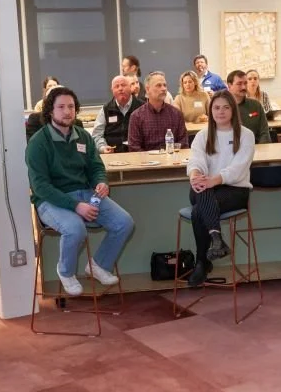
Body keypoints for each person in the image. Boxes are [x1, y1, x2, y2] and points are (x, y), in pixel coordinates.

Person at [26, 86, 135, 296]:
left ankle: (98, 265)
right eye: (61, 107)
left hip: (85, 193)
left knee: (124, 222)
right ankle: (65, 271)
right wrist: (76, 206)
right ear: (50, 111)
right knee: (76, 229)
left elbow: (96, 167)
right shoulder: (38, 142)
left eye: (71, 106)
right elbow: (40, 186)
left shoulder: (83, 136)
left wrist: (101, 182)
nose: (67, 111)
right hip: (50, 200)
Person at [184, 91, 256, 287]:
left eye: (226, 107)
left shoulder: (246, 135)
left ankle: (202, 262)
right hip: (206, 187)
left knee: (199, 211)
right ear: (210, 110)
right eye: (216, 108)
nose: (221, 112)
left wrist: (213, 180)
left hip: (235, 189)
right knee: (200, 190)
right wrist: (195, 175)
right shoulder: (203, 135)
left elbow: (239, 168)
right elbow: (196, 160)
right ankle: (216, 239)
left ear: (233, 110)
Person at [127, 72, 188, 151]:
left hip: (172, 160)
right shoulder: (136, 116)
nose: (163, 89)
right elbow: (134, 147)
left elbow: (183, 144)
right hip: (146, 161)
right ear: (148, 89)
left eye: (165, 85)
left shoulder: (176, 114)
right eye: (159, 85)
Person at [91, 75, 141, 153]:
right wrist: (103, 147)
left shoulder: (141, 107)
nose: (120, 88)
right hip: (113, 155)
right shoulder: (106, 110)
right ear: (112, 90)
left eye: (123, 85)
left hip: (139, 154)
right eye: (116, 86)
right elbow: (97, 135)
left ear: (130, 87)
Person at [225, 69, 272, 143]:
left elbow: (264, 133)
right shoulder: (222, 107)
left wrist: (262, 149)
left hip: (256, 149)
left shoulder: (256, 105)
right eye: (239, 84)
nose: (244, 87)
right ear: (229, 85)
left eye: (245, 83)